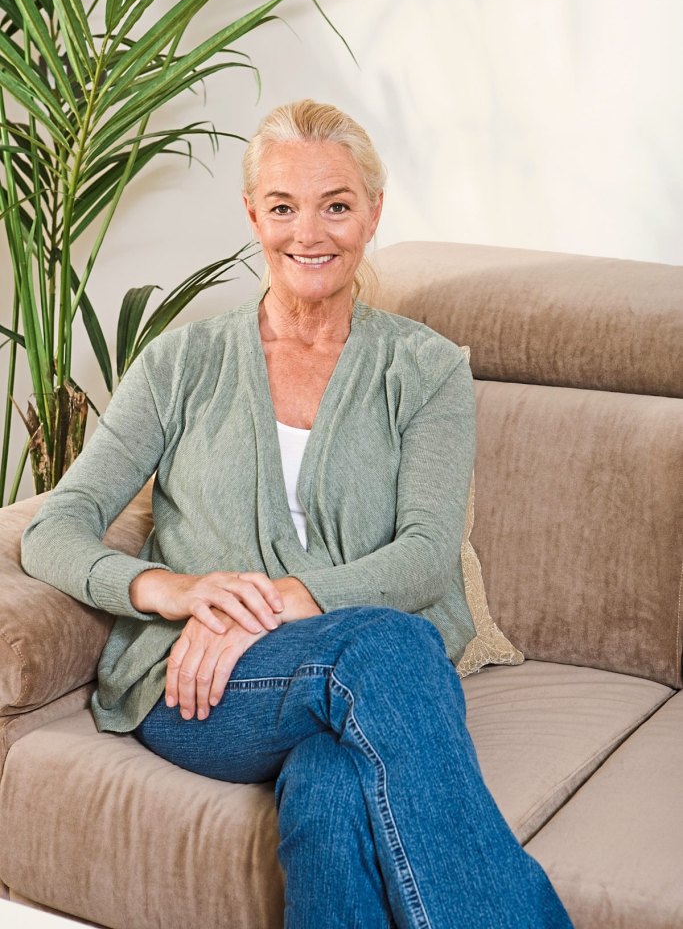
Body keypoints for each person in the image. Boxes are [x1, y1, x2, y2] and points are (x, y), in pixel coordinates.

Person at [22, 100, 572, 929]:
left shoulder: (423, 369)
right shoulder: (182, 361)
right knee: (388, 645)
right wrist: (171, 590)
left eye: (336, 205)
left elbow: (426, 551)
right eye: (282, 206)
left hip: (337, 663)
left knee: (329, 783)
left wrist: (279, 602)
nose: (308, 233)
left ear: (373, 214)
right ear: (253, 215)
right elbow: (53, 527)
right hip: (198, 686)